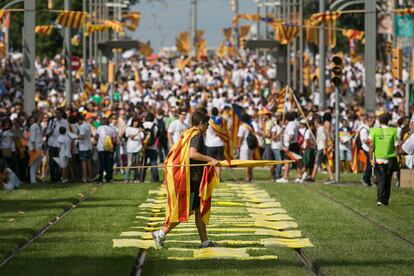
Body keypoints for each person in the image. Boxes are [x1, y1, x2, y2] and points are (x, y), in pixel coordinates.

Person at [151, 110, 219, 248]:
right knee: (187, 210)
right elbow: (192, 154)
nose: (208, 127)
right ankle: (161, 233)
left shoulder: (187, 133)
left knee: (198, 210)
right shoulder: (197, 135)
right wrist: (211, 159)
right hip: (192, 179)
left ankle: (204, 242)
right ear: (200, 123)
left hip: (191, 177)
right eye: (207, 124)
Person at [369, 113, 399, 206]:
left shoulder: (373, 131)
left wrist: (371, 158)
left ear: (379, 121)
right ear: (388, 121)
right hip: (390, 158)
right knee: (388, 180)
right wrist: (399, 157)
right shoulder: (394, 131)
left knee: (380, 179)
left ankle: (380, 199)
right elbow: (396, 145)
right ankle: (385, 200)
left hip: (379, 158)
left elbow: (371, 146)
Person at [309, 116, 335, 184]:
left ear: (316, 122)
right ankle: (331, 177)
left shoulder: (320, 129)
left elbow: (324, 138)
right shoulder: (322, 128)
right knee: (326, 163)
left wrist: (324, 149)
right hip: (322, 147)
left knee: (316, 163)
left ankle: (312, 177)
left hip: (321, 148)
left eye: (314, 122)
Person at [46, 108, 69, 182]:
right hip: (52, 143)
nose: (57, 114)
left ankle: (58, 176)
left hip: (61, 144)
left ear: (62, 113)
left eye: (59, 113)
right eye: (56, 113)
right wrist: (51, 129)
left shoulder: (65, 122)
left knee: (60, 161)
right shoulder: (52, 121)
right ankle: (53, 177)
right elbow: (48, 132)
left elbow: (67, 132)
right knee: (52, 161)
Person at [95, 117, 116, 184]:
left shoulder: (99, 128)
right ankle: (109, 178)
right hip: (109, 148)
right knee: (109, 164)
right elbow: (114, 138)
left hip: (101, 148)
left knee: (101, 164)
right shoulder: (112, 129)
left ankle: (100, 178)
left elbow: (96, 136)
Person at [124, 117, 144, 183]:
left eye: (137, 121)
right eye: (135, 121)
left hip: (138, 148)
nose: (136, 123)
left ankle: (136, 179)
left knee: (137, 164)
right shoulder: (128, 129)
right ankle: (126, 179)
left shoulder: (140, 130)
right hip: (130, 149)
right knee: (129, 164)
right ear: (132, 122)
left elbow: (142, 137)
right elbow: (131, 137)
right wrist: (138, 131)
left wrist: (141, 131)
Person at [142, 112, 160, 182]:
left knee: (143, 163)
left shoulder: (143, 125)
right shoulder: (155, 126)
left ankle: (142, 178)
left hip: (144, 147)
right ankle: (155, 178)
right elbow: (157, 136)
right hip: (153, 147)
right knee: (153, 163)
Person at [28, 113, 44, 184]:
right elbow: (32, 137)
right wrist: (33, 147)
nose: (42, 117)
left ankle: (35, 178)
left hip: (40, 146)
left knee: (37, 163)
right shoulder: (34, 126)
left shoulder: (40, 126)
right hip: (35, 147)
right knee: (34, 163)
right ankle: (32, 179)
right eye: (41, 116)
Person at [77, 114, 93, 182]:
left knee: (83, 163)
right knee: (88, 163)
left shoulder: (82, 126)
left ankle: (85, 177)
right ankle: (90, 177)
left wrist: (74, 137)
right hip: (89, 146)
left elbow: (82, 137)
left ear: (80, 120)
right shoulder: (88, 125)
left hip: (83, 147)